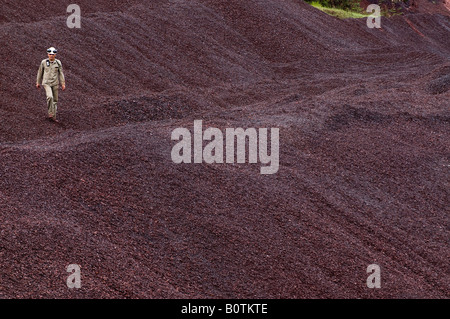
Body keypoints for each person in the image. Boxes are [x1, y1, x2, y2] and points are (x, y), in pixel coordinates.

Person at [36, 47, 66, 122]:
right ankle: (50, 113)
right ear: (47, 54)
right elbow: (40, 72)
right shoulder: (44, 62)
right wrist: (38, 82)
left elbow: (61, 73)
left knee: (55, 100)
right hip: (46, 83)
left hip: (55, 83)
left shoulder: (58, 62)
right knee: (50, 97)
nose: (51, 56)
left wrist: (63, 83)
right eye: (50, 54)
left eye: (53, 54)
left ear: (55, 54)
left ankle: (54, 117)